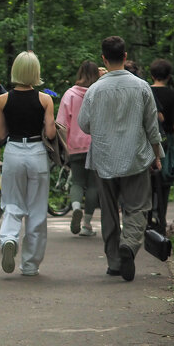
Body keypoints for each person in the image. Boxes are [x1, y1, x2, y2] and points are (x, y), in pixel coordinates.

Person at [78, 36, 163, 282]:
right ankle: (129, 244)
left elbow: (84, 125)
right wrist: (156, 156)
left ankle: (114, 262)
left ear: (103, 58)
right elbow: (152, 127)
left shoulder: (94, 90)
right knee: (138, 207)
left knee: (108, 210)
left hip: (103, 159)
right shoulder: (141, 86)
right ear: (125, 56)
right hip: (136, 156)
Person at [0, 52, 56, 276]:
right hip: (36, 152)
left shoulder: (2, 100)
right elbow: (50, 133)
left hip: (13, 152)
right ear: (35, 72)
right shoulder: (45, 99)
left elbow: (0, 134)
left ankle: (9, 239)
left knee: (12, 203)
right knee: (37, 210)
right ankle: (30, 265)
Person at [57, 60, 101, 237]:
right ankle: (87, 225)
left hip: (74, 145)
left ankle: (75, 207)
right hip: (96, 146)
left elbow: (60, 124)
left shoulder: (70, 94)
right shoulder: (100, 93)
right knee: (92, 185)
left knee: (77, 181)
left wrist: (66, 146)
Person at [148, 59, 174, 235]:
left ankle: (147, 219)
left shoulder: (145, 91)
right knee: (165, 180)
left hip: (147, 141)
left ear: (151, 75)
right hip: (167, 141)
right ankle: (161, 220)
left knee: (147, 182)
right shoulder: (173, 96)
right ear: (169, 77)